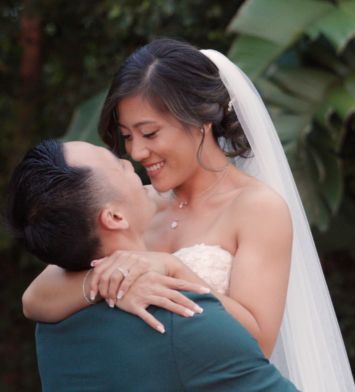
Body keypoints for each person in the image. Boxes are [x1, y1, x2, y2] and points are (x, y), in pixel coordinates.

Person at [21, 39, 355, 391]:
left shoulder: (257, 207)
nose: (136, 151)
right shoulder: (135, 204)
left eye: (149, 133)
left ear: (200, 119)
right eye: (126, 136)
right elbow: (35, 299)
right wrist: (105, 287)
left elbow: (257, 346)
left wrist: (172, 269)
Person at [5, 139, 300, 392]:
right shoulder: (184, 319)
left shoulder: (51, 326)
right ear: (115, 218)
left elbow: (32, 300)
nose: (132, 160)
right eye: (118, 165)